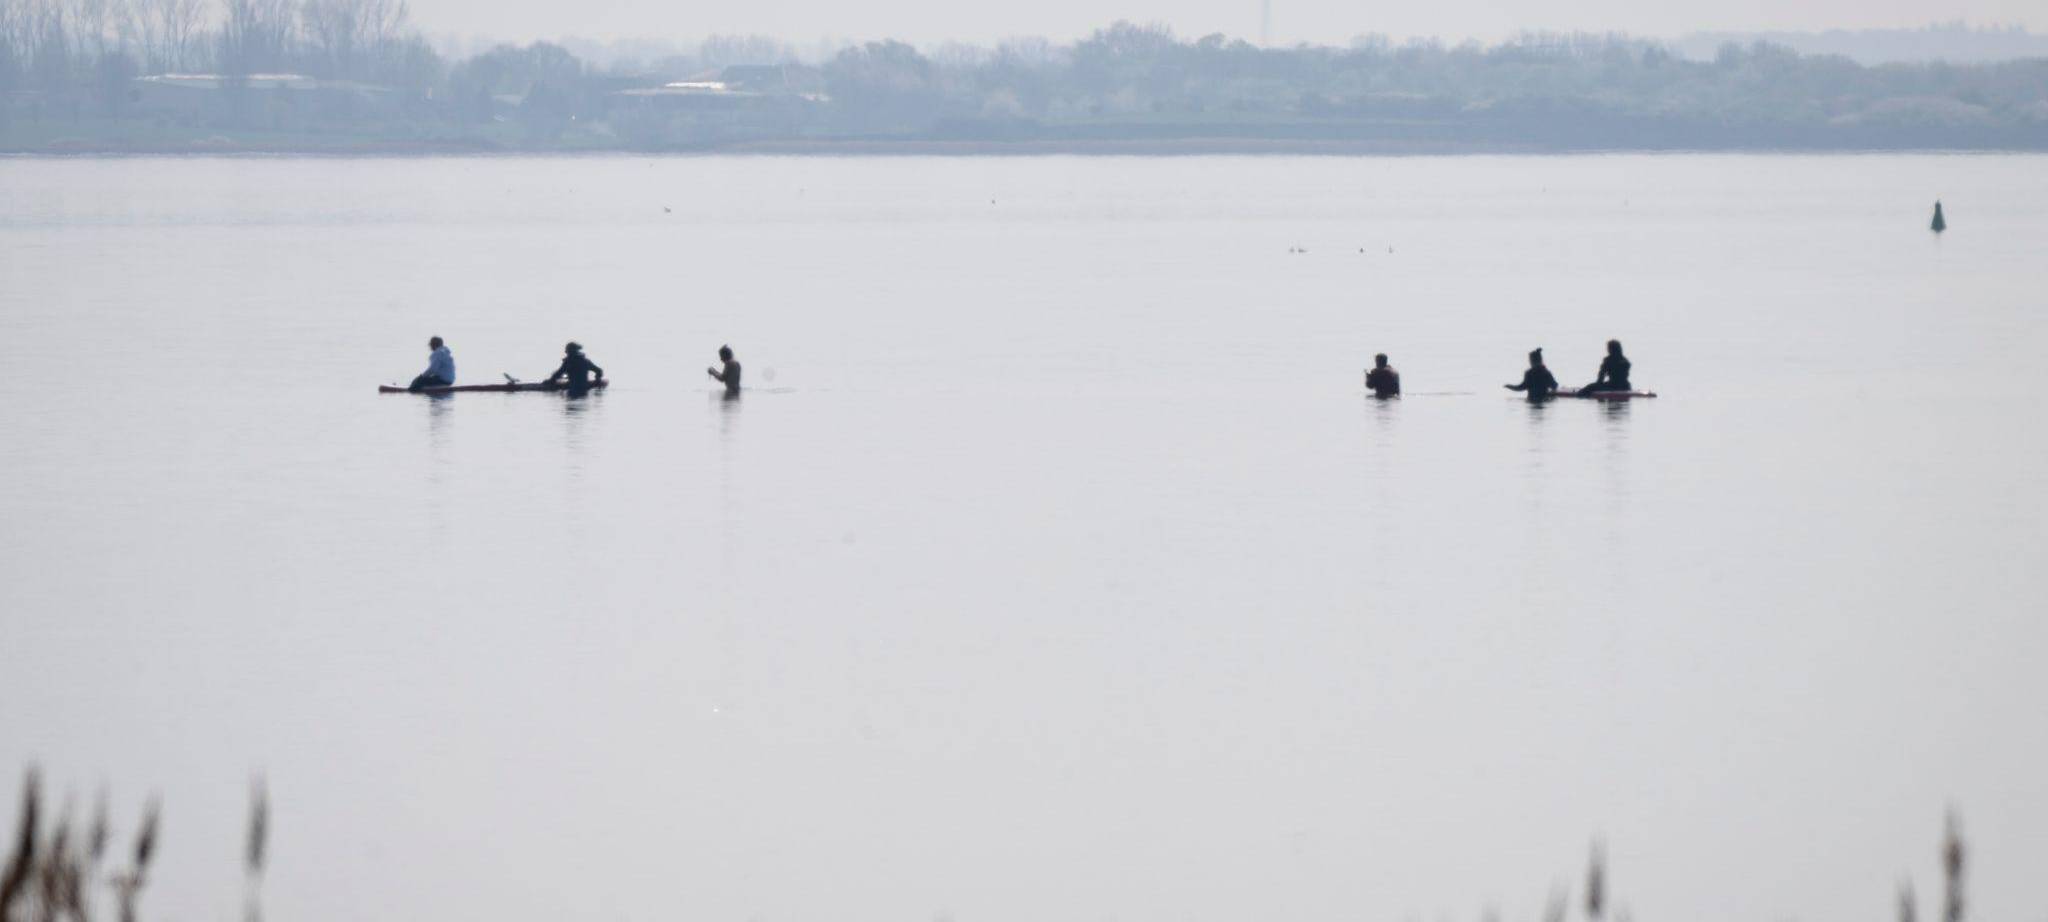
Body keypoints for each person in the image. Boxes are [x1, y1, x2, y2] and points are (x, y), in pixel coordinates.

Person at [539, 341, 604, 391]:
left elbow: (558, 374)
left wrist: (550, 381)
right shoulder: (586, 361)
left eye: (567, 351)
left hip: (573, 388)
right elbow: (599, 371)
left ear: (570, 351)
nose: (566, 353)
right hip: (584, 387)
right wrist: (597, 379)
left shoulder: (568, 362)